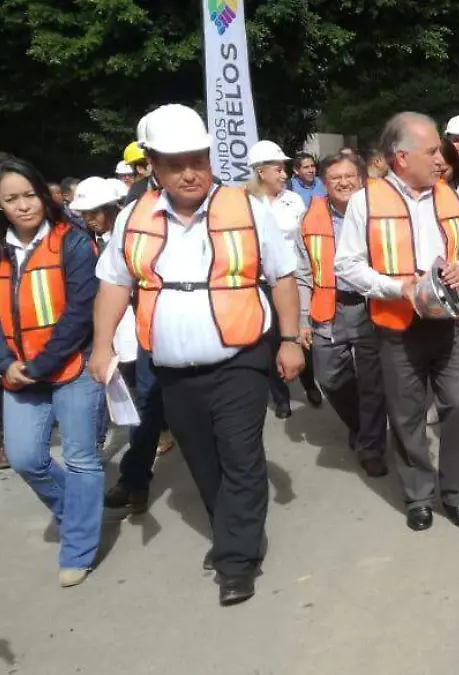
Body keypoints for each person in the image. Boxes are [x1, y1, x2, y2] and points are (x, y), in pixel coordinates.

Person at [91, 103, 305, 605]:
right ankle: (231, 530)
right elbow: (113, 284)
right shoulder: (133, 218)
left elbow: (283, 276)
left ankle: (236, 560)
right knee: (203, 462)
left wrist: (292, 339)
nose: (189, 172)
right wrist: (102, 347)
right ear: (154, 167)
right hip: (172, 369)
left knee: (240, 454)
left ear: (210, 159)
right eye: (174, 163)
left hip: (241, 358)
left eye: (198, 160)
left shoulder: (248, 208)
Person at [335, 112, 459, 532]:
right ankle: (419, 495)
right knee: (406, 413)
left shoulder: (450, 195)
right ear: (401, 157)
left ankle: (455, 494)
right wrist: (395, 288)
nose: (442, 158)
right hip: (398, 327)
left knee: (457, 404)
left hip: (451, 323)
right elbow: (346, 264)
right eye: (433, 150)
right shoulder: (366, 201)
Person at [0, 158, 104, 585]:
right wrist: (4, 364)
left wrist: (40, 365)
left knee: (81, 457)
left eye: (29, 194)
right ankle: (79, 510)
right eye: (11, 199)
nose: (23, 205)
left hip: (70, 366)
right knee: (27, 458)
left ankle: (79, 546)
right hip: (17, 373)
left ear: (43, 194)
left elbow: (81, 311)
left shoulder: (72, 240)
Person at [64, 177, 170, 515]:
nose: (89, 219)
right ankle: (136, 479)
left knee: (151, 408)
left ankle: (136, 479)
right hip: (125, 339)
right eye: (84, 213)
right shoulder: (90, 242)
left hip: (154, 333)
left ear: (111, 208)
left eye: (93, 212)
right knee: (143, 408)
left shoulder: (134, 236)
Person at [296, 153, 389, 478]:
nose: (343, 182)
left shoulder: (380, 212)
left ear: (361, 178)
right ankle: (364, 425)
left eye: (349, 176)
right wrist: (301, 318)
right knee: (329, 378)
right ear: (323, 183)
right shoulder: (310, 218)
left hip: (371, 305)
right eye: (335, 178)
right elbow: (303, 271)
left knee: (373, 381)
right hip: (329, 307)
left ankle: (372, 447)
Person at [247, 140, 323, 417]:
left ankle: (309, 382)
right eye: (278, 169)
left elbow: (304, 240)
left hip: (294, 278)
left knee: (301, 331)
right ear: (260, 172)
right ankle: (280, 397)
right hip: (261, 284)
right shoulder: (246, 205)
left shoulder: (293, 200)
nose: (284, 174)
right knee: (271, 339)